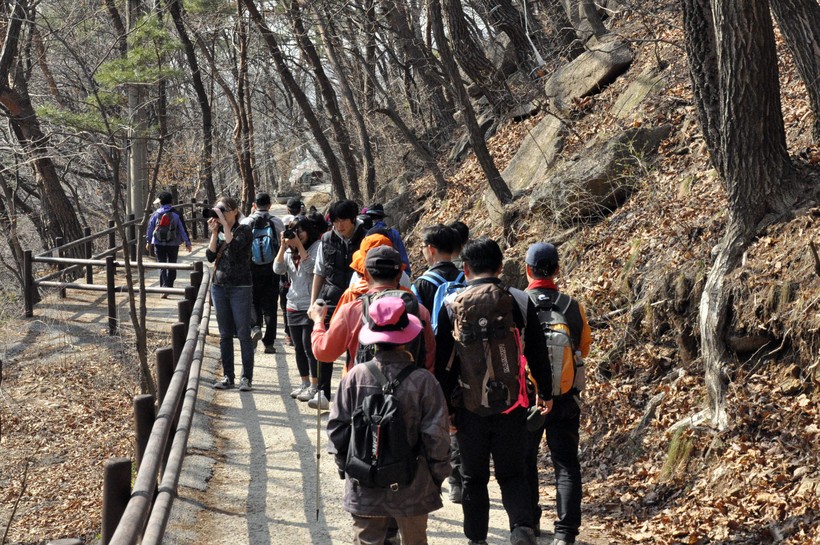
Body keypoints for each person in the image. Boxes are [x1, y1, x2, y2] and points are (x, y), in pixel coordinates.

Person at [435, 237, 553, 545]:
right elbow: (538, 351)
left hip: (468, 406)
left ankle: (477, 539)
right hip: (512, 403)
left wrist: (446, 408)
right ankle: (522, 529)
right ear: (501, 267)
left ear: (465, 269)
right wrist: (546, 392)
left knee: (474, 478)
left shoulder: (451, 304)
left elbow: (443, 363)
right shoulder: (519, 300)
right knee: (512, 473)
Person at [326, 296, 451, 545]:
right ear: (407, 336)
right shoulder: (424, 381)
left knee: (367, 540)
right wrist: (437, 476)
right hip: (413, 485)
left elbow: (337, 431)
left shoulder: (354, 377)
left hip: (364, 482)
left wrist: (349, 469)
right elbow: (436, 437)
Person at [524, 243, 592, 545]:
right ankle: (565, 532)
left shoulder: (518, 302)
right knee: (565, 464)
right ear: (557, 270)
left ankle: (529, 521)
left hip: (527, 397)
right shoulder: (572, 306)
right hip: (565, 397)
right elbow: (583, 349)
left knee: (525, 460)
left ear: (527, 269)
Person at [309, 245, 436, 375]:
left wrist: (318, 320)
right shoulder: (420, 311)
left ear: (366, 274)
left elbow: (324, 352)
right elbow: (430, 358)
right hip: (411, 385)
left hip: (362, 383)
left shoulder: (351, 311)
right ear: (399, 276)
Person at [412, 224, 467, 504]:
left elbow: (416, 327)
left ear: (431, 249)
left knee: (433, 419)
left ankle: (434, 476)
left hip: (435, 362)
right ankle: (460, 479)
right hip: (467, 360)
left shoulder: (421, 284)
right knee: (461, 419)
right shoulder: (467, 276)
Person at [310, 199, 367, 409]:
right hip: (331, 299)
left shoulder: (366, 238)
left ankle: (352, 394)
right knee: (325, 343)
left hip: (359, 301)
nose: (339, 225)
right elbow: (319, 272)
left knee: (356, 348)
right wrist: (313, 302)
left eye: (343, 220)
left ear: (353, 219)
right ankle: (322, 393)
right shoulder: (326, 239)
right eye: (335, 221)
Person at [207, 196, 255, 392]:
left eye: (224, 211)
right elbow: (210, 256)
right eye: (217, 211)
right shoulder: (219, 231)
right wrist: (214, 233)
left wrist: (225, 226)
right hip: (219, 286)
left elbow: (234, 248)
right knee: (225, 334)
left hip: (240, 287)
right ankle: (228, 376)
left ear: (235, 211)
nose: (220, 215)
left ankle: (246, 378)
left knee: (243, 334)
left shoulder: (244, 229)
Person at [274, 214, 323, 401]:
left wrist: (300, 247)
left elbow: (312, 269)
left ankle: (315, 385)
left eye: (300, 231)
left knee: (309, 347)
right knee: (298, 348)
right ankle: (304, 382)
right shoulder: (289, 251)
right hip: (292, 304)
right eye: (294, 232)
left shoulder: (317, 247)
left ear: (308, 231)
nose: (297, 235)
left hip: (310, 305)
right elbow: (277, 269)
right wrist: (283, 246)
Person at [242, 192, 285, 354]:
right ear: (269, 205)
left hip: (251, 267)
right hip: (272, 268)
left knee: (253, 300)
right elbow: (283, 243)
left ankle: (256, 327)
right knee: (271, 305)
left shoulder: (246, 222)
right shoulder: (277, 222)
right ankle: (269, 343)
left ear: (254, 205)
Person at [146, 191, 192, 296]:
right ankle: (169, 287)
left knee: (162, 265)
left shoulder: (155, 214)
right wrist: (187, 242)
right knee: (172, 265)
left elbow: (150, 228)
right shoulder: (176, 214)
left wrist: (148, 241)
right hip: (173, 243)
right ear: (171, 201)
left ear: (160, 202)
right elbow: (182, 229)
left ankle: (163, 288)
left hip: (158, 243)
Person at [365, 203, 412, 277]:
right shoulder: (393, 232)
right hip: (393, 274)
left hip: (371, 275)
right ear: (382, 217)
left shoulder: (366, 234)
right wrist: (406, 275)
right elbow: (402, 256)